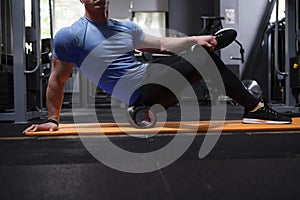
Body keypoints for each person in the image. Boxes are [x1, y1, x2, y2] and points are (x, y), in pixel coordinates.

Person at [24, 0, 292, 132]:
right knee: (203, 59)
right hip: (140, 87)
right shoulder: (71, 35)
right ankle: (255, 108)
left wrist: (195, 39)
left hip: (152, 85)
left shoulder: (125, 28)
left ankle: (142, 107)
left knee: (200, 56)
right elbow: (57, 80)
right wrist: (52, 119)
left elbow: (163, 44)